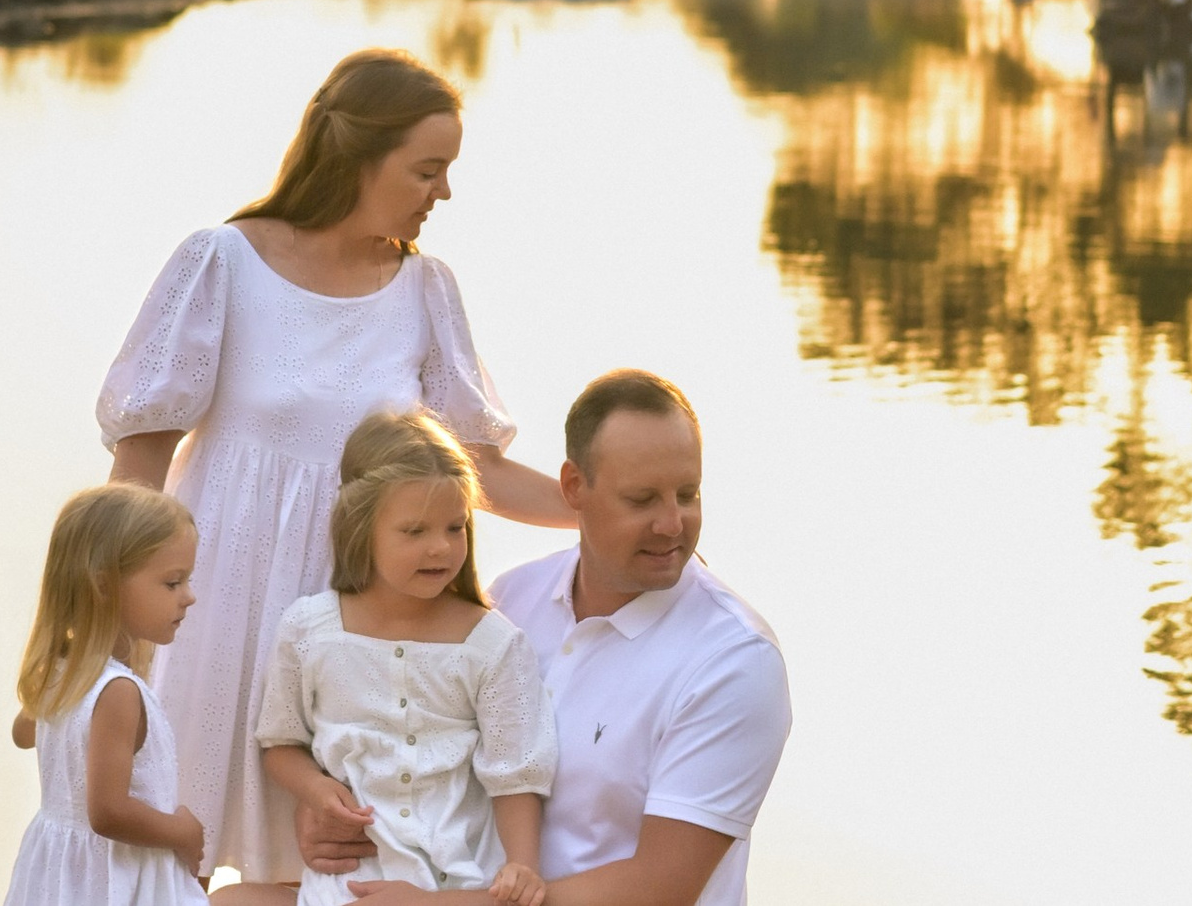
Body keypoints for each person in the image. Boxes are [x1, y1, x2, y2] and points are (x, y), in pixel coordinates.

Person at [97, 49, 572, 888]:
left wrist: (603, 514)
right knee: (176, 862)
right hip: (216, 612)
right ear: (359, 155)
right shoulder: (222, 262)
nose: (444, 193)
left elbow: (478, 472)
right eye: (429, 169)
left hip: (353, 639)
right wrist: (97, 634)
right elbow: (140, 458)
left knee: (330, 874)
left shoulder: (425, 290)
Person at [321, 371, 793, 906]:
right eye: (642, 500)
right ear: (573, 488)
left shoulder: (734, 661)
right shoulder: (508, 600)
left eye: (688, 495)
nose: (671, 524)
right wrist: (337, 816)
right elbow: (422, 755)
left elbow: (661, 888)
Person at [212, 410, 557, 906]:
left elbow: (516, 773)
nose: (440, 547)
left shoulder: (492, 644)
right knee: (228, 899)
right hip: (344, 882)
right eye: (414, 532)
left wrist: (523, 866)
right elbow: (281, 742)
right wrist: (313, 789)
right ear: (361, 528)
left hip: (453, 885)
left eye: (455, 527)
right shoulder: (309, 629)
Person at [1, 484, 209, 906]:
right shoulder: (118, 692)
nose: (189, 596)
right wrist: (183, 831)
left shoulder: (63, 674)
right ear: (104, 586)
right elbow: (108, 812)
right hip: (119, 878)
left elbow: (23, 733)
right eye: (172, 583)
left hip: (61, 876)